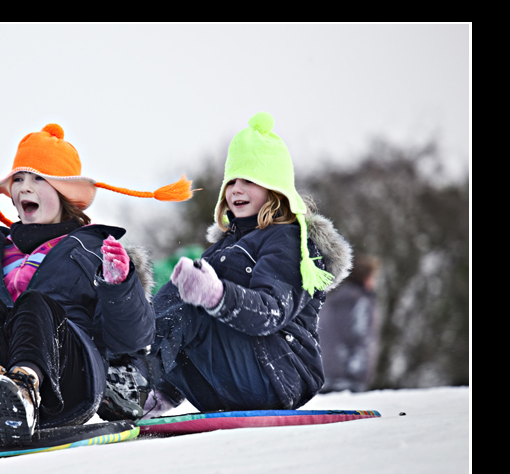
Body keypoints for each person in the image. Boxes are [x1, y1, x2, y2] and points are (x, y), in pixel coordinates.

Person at [0, 123, 194, 445]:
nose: (24, 188)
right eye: (18, 179)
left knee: (36, 303)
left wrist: (119, 286)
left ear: (63, 192)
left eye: (38, 179)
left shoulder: (92, 249)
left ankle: (23, 391)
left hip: (68, 382)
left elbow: (131, 338)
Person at [140, 112, 353, 415]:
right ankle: (140, 387)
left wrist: (216, 295)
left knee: (191, 310)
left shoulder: (289, 241)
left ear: (274, 189)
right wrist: (167, 390)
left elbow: (271, 311)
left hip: (277, 375)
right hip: (231, 381)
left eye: (249, 181)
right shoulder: (225, 246)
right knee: (176, 294)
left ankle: (133, 379)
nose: (236, 190)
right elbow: (180, 327)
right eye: (232, 181)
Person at [319, 255, 381, 393]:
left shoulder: (334, 299)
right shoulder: (360, 302)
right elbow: (360, 336)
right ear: (365, 279)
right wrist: (358, 372)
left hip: (326, 372)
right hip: (348, 375)